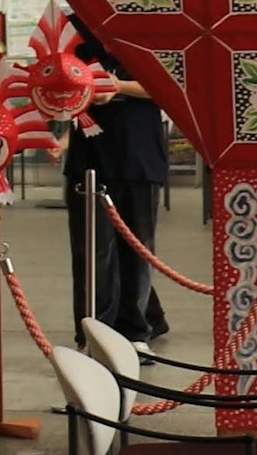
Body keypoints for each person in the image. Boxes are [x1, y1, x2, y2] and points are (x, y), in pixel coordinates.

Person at [62, 35, 174, 342]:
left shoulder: (146, 30)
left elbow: (172, 85)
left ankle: (135, 330)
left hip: (138, 154)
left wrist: (119, 86)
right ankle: (93, 331)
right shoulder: (75, 34)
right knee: (91, 251)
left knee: (136, 248)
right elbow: (56, 84)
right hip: (89, 155)